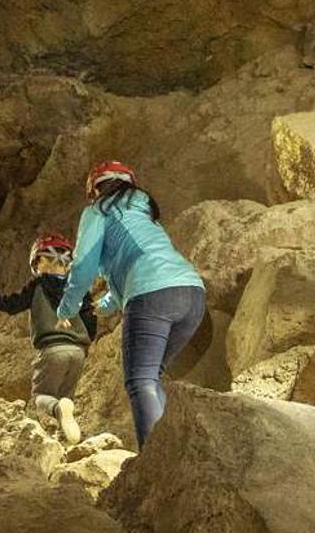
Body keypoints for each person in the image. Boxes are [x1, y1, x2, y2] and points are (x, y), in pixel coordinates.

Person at [56, 160, 206, 447]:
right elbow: (139, 264)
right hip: (192, 294)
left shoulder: (97, 211)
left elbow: (84, 264)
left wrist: (67, 308)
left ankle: (155, 464)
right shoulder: (146, 216)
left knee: (141, 381)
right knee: (151, 377)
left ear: (94, 190)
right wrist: (106, 304)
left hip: (153, 297)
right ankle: (173, 451)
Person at [0, 233, 97, 444]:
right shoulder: (79, 289)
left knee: (42, 396)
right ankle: (65, 436)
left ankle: (59, 410)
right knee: (66, 395)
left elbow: (15, 302)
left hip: (52, 349)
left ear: (39, 262)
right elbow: (90, 319)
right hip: (77, 352)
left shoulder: (38, 285)